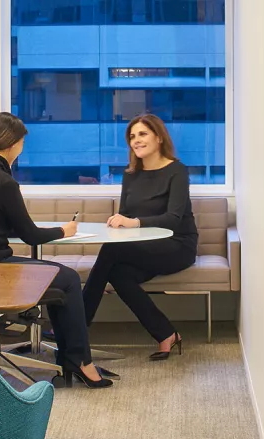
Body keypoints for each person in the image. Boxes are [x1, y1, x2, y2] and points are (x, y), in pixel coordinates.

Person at [0, 112, 113, 388]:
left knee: (58, 278)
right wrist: (63, 231)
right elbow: (29, 235)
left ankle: (71, 358)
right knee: (67, 279)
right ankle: (80, 361)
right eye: (21, 143)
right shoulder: (3, 181)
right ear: (12, 144)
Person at [82, 114, 198, 360]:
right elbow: (126, 214)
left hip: (177, 246)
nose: (136, 140)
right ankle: (166, 334)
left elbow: (174, 218)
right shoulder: (131, 174)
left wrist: (134, 223)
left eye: (143, 134)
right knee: (117, 272)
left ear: (158, 137)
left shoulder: (177, 170)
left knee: (111, 253)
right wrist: (117, 222)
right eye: (132, 136)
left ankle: (78, 325)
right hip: (145, 247)